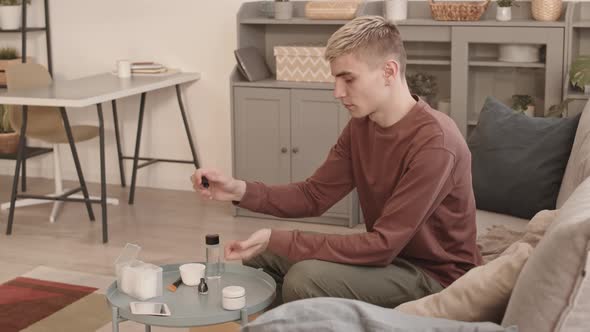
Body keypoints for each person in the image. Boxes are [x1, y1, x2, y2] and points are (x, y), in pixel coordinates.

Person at [191, 15, 482, 309]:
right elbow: (313, 195)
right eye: (336, 79)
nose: (337, 92)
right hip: (391, 259)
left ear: (389, 72)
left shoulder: (435, 144)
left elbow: (383, 245)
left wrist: (280, 238)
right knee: (259, 253)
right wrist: (237, 190)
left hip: (434, 275)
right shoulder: (362, 125)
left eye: (349, 79)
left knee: (305, 278)